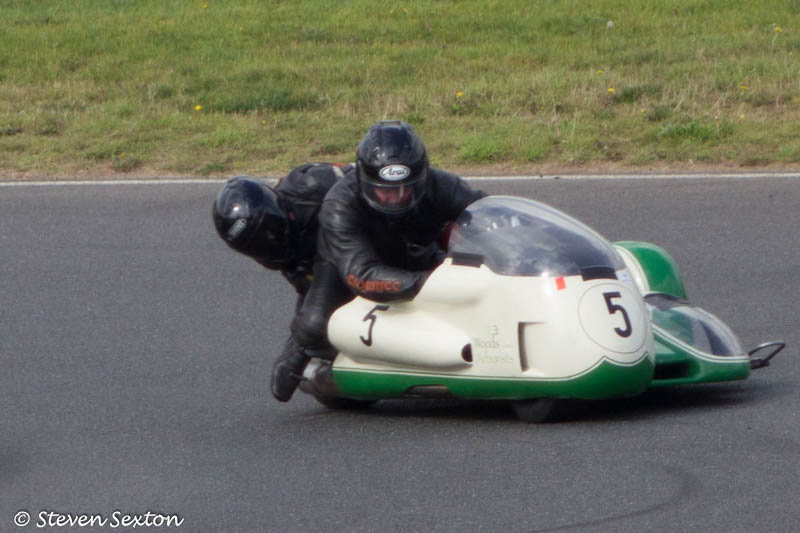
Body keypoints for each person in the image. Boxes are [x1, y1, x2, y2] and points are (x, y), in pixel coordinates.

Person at [271, 120, 487, 401]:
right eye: (385, 190)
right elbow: (362, 275)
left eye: (406, 188)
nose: (396, 198)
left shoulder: (440, 184)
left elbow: (487, 214)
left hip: (417, 253)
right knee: (314, 323)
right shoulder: (339, 204)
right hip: (348, 265)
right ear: (365, 180)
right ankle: (300, 353)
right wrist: (432, 283)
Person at [211, 162, 351, 401]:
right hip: (342, 272)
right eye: (257, 245)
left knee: (312, 324)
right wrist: (303, 342)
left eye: (269, 231)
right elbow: (308, 287)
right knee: (321, 380)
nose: (269, 244)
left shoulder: (313, 184)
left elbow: (370, 183)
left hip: (375, 242)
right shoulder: (271, 254)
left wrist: (297, 349)